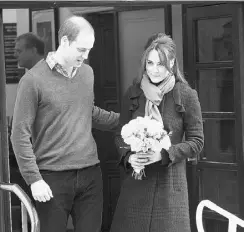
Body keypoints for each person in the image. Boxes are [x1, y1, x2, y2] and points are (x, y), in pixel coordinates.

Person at [11, 15, 119, 232]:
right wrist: (34, 179)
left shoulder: (87, 73)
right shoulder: (32, 81)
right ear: (65, 42)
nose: (86, 55)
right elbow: (19, 134)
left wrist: (130, 121)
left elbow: (87, 112)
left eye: (89, 49)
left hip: (90, 174)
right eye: (81, 49)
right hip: (52, 178)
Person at [110, 32, 204, 232]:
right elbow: (120, 135)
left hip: (170, 189)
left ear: (171, 62)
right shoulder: (133, 93)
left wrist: (163, 154)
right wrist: (128, 156)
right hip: (136, 188)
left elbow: (197, 142)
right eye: (150, 63)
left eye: (160, 64)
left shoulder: (186, 95)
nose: (154, 69)